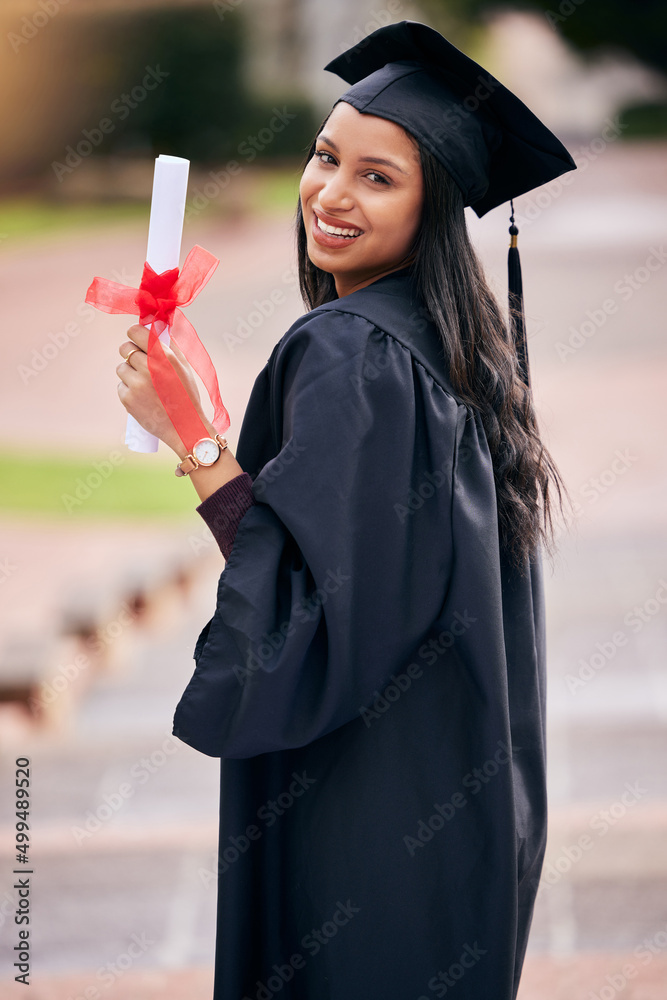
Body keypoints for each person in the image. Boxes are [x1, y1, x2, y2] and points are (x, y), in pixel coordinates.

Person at [115, 20, 575, 1000]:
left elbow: (293, 613)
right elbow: (344, 560)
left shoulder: (346, 349)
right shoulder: (457, 345)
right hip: (465, 812)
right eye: (327, 157)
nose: (329, 192)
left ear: (432, 203)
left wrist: (197, 441)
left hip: (360, 826)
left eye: (377, 177)